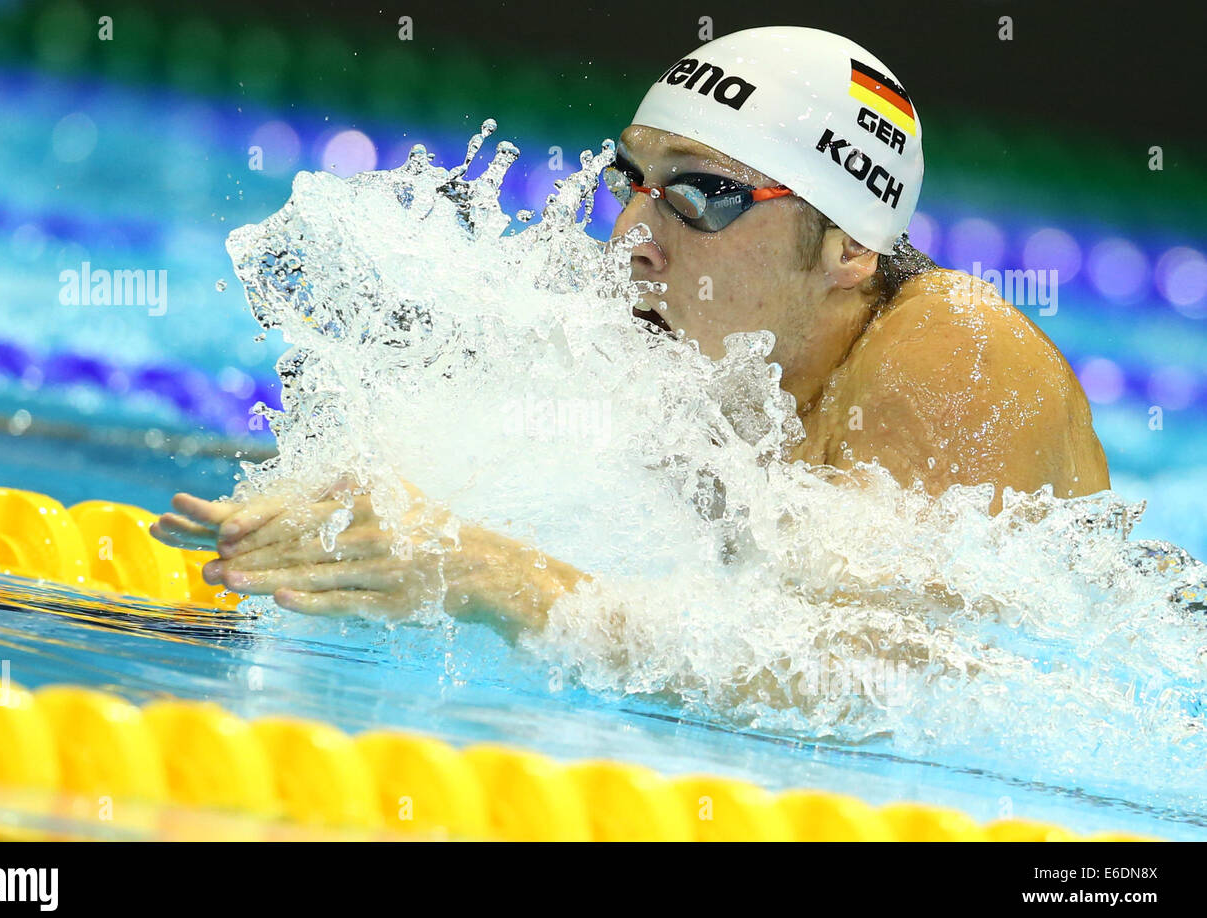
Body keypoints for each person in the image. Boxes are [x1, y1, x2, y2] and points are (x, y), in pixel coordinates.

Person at [151, 26, 1109, 636]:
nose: (632, 240)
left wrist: (492, 572)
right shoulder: (692, 358)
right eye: (633, 182)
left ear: (848, 249)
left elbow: (868, 677)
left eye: (698, 193)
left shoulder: (961, 361)